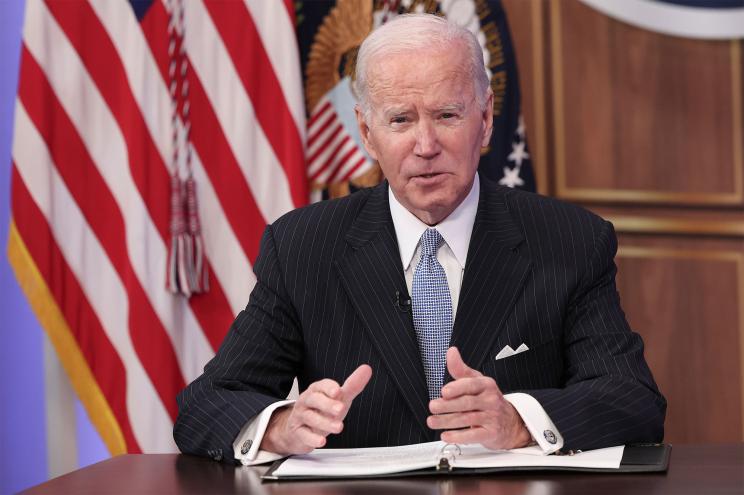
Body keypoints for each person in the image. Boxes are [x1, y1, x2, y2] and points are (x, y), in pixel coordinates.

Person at [174, 13, 666, 465]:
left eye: (447, 115)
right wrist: (281, 426)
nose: (425, 146)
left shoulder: (569, 240)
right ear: (367, 133)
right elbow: (205, 405)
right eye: (400, 120)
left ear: (486, 118)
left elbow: (633, 400)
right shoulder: (303, 246)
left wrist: (517, 421)